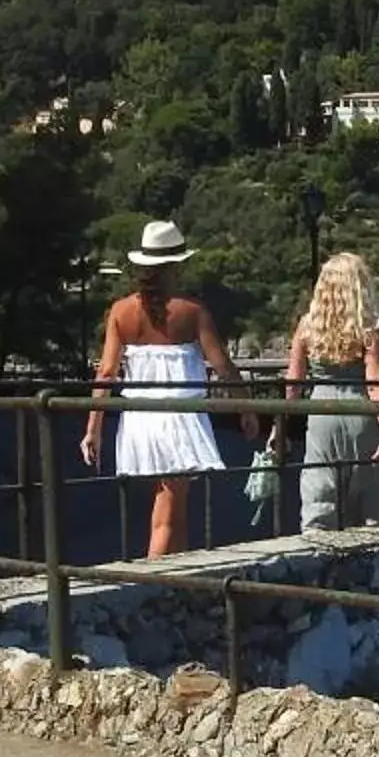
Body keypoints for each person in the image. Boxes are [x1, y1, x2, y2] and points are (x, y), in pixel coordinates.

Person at [80, 220, 239, 558]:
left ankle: (175, 580)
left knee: (174, 508)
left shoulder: (121, 311)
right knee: (168, 511)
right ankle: (151, 582)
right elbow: (223, 366)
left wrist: (93, 428)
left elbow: (106, 372)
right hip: (178, 418)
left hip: (139, 419)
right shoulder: (192, 311)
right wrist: (248, 408)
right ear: (176, 265)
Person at [273, 252, 379, 530]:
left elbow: (293, 381)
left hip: (320, 413)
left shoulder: (307, 326)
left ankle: (319, 545)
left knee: (321, 487)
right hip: (361, 411)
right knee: (374, 490)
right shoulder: (368, 328)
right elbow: (374, 380)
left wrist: (280, 427)